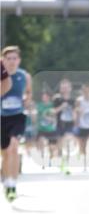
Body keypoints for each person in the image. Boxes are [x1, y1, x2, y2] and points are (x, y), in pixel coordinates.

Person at [1, 46, 32, 201]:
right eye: (9, 58)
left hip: (18, 116)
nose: (12, 62)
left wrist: (27, 99)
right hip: (2, 118)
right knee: (5, 153)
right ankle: (7, 182)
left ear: (19, 60)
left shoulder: (24, 76)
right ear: (3, 60)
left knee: (14, 147)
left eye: (15, 58)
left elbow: (29, 92)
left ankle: (13, 184)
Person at [53, 77, 76, 174]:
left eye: (67, 87)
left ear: (70, 88)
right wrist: (61, 107)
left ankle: (67, 164)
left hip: (70, 124)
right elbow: (52, 112)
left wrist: (76, 118)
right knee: (60, 145)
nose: (65, 89)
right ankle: (61, 163)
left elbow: (75, 112)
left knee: (67, 141)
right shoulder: (57, 99)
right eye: (63, 87)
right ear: (60, 89)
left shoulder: (73, 100)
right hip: (59, 124)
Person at [36, 90, 59, 168]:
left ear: (49, 97)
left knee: (52, 147)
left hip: (51, 129)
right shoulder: (39, 105)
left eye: (46, 96)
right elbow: (37, 114)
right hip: (42, 129)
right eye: (43, 96)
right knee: (42, 142)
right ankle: (43, 160)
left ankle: (51, 159)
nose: (44, 98)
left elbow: (55, 113)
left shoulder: (52, 105)